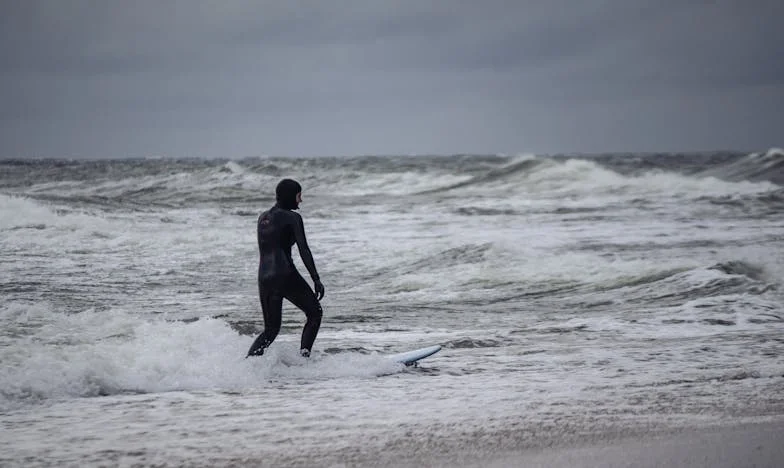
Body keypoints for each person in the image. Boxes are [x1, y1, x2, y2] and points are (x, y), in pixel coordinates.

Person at [246, 179, 325, 358]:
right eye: (299, 196)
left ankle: (248, 365)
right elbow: (303, 249)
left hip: (264, 278)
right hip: (284, 274)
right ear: (290, 196)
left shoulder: (263, 217)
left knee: (270, 330)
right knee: (315, 313)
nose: (300, 201)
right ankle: (304, 359)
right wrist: (316, 278)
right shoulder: (292, 217)